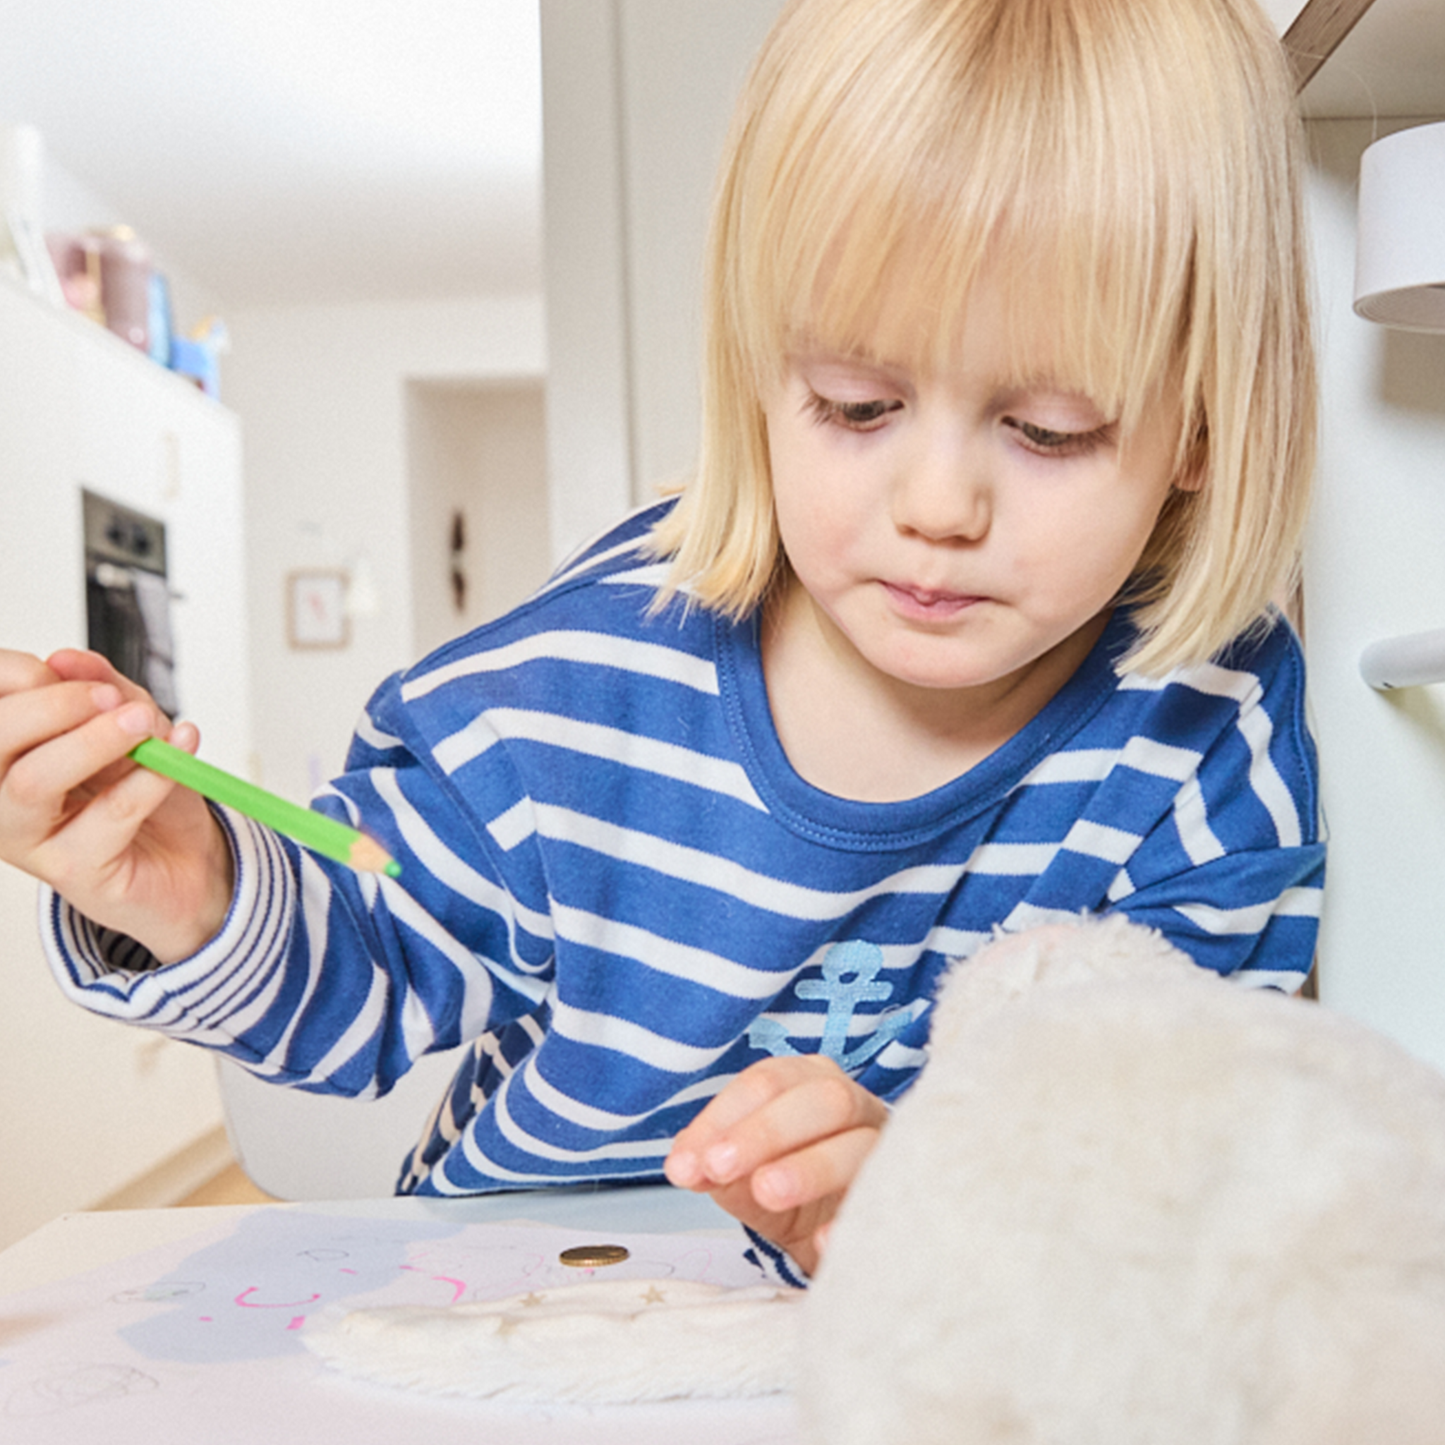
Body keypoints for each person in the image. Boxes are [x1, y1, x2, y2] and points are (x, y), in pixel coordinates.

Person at [0, 0, 1322, 1286]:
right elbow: (366, 971)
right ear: (760, 373)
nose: (937, 508)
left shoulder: (1204, 726)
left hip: (933, 1342)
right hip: (520, 1309)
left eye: (1046, 430)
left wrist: (936, 1205)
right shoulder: (561, 699)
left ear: (1203, 423)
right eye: (857, 406)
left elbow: (1174, 1151)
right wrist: (198, 891)